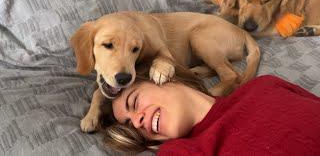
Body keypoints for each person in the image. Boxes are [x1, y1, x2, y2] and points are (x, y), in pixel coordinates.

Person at [102, 64, 320, 155]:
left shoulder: (265, 85)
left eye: (134, 101)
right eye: (131, 126)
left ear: (165, 77)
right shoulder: (180, 151)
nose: (138, 121)